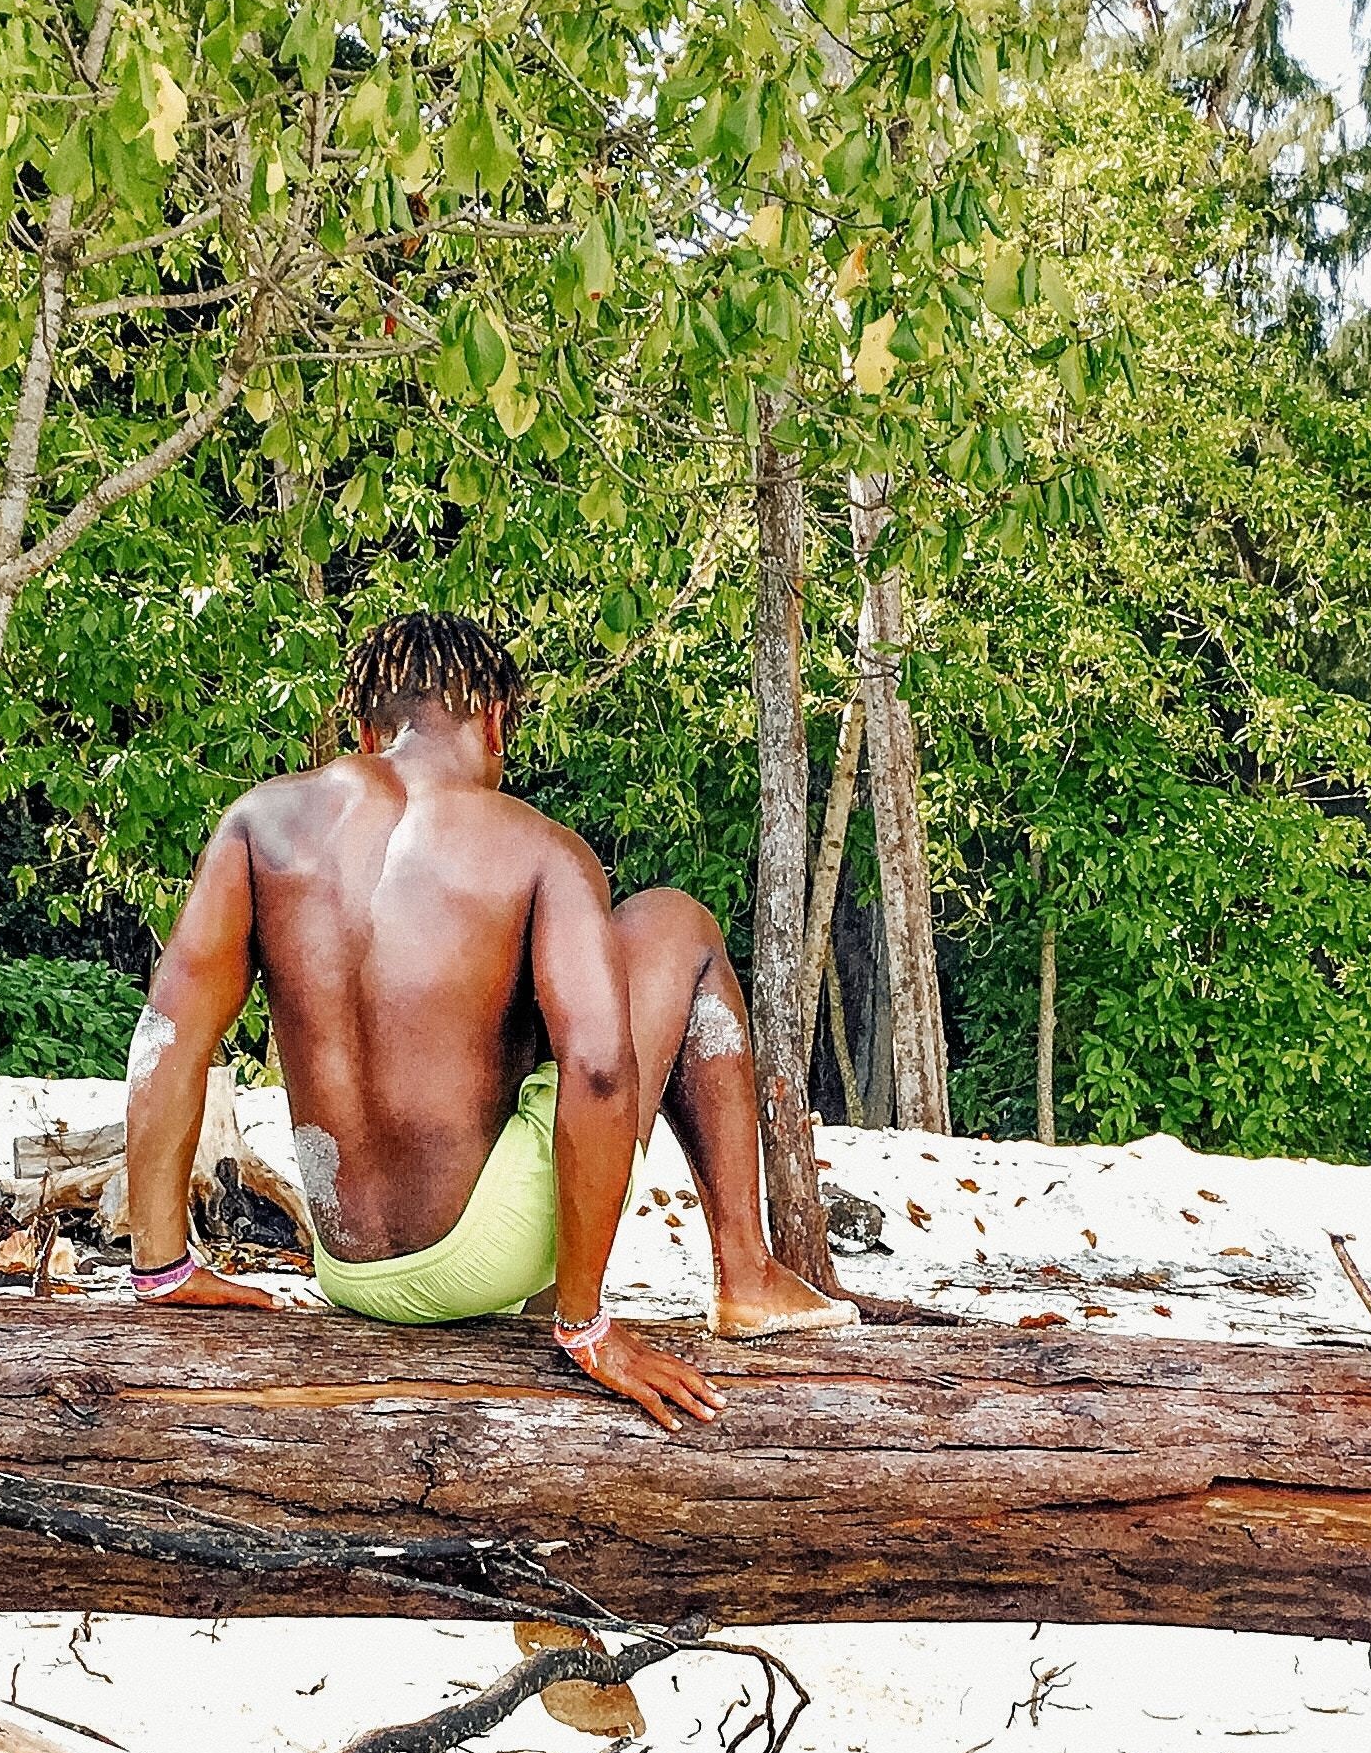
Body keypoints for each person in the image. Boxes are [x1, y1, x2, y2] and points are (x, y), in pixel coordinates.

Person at [119, 612, 852, 1429]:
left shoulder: (259, 824)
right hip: (483, 1256)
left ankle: (166, 1269)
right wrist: (590, 1329)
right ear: (495, 721)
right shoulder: (539, 848)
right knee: (675, 923)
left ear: (367, 729)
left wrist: (165, 1268)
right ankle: (744, 1275)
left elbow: (165, 1038)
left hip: (349, 1268)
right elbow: (603, 1072)